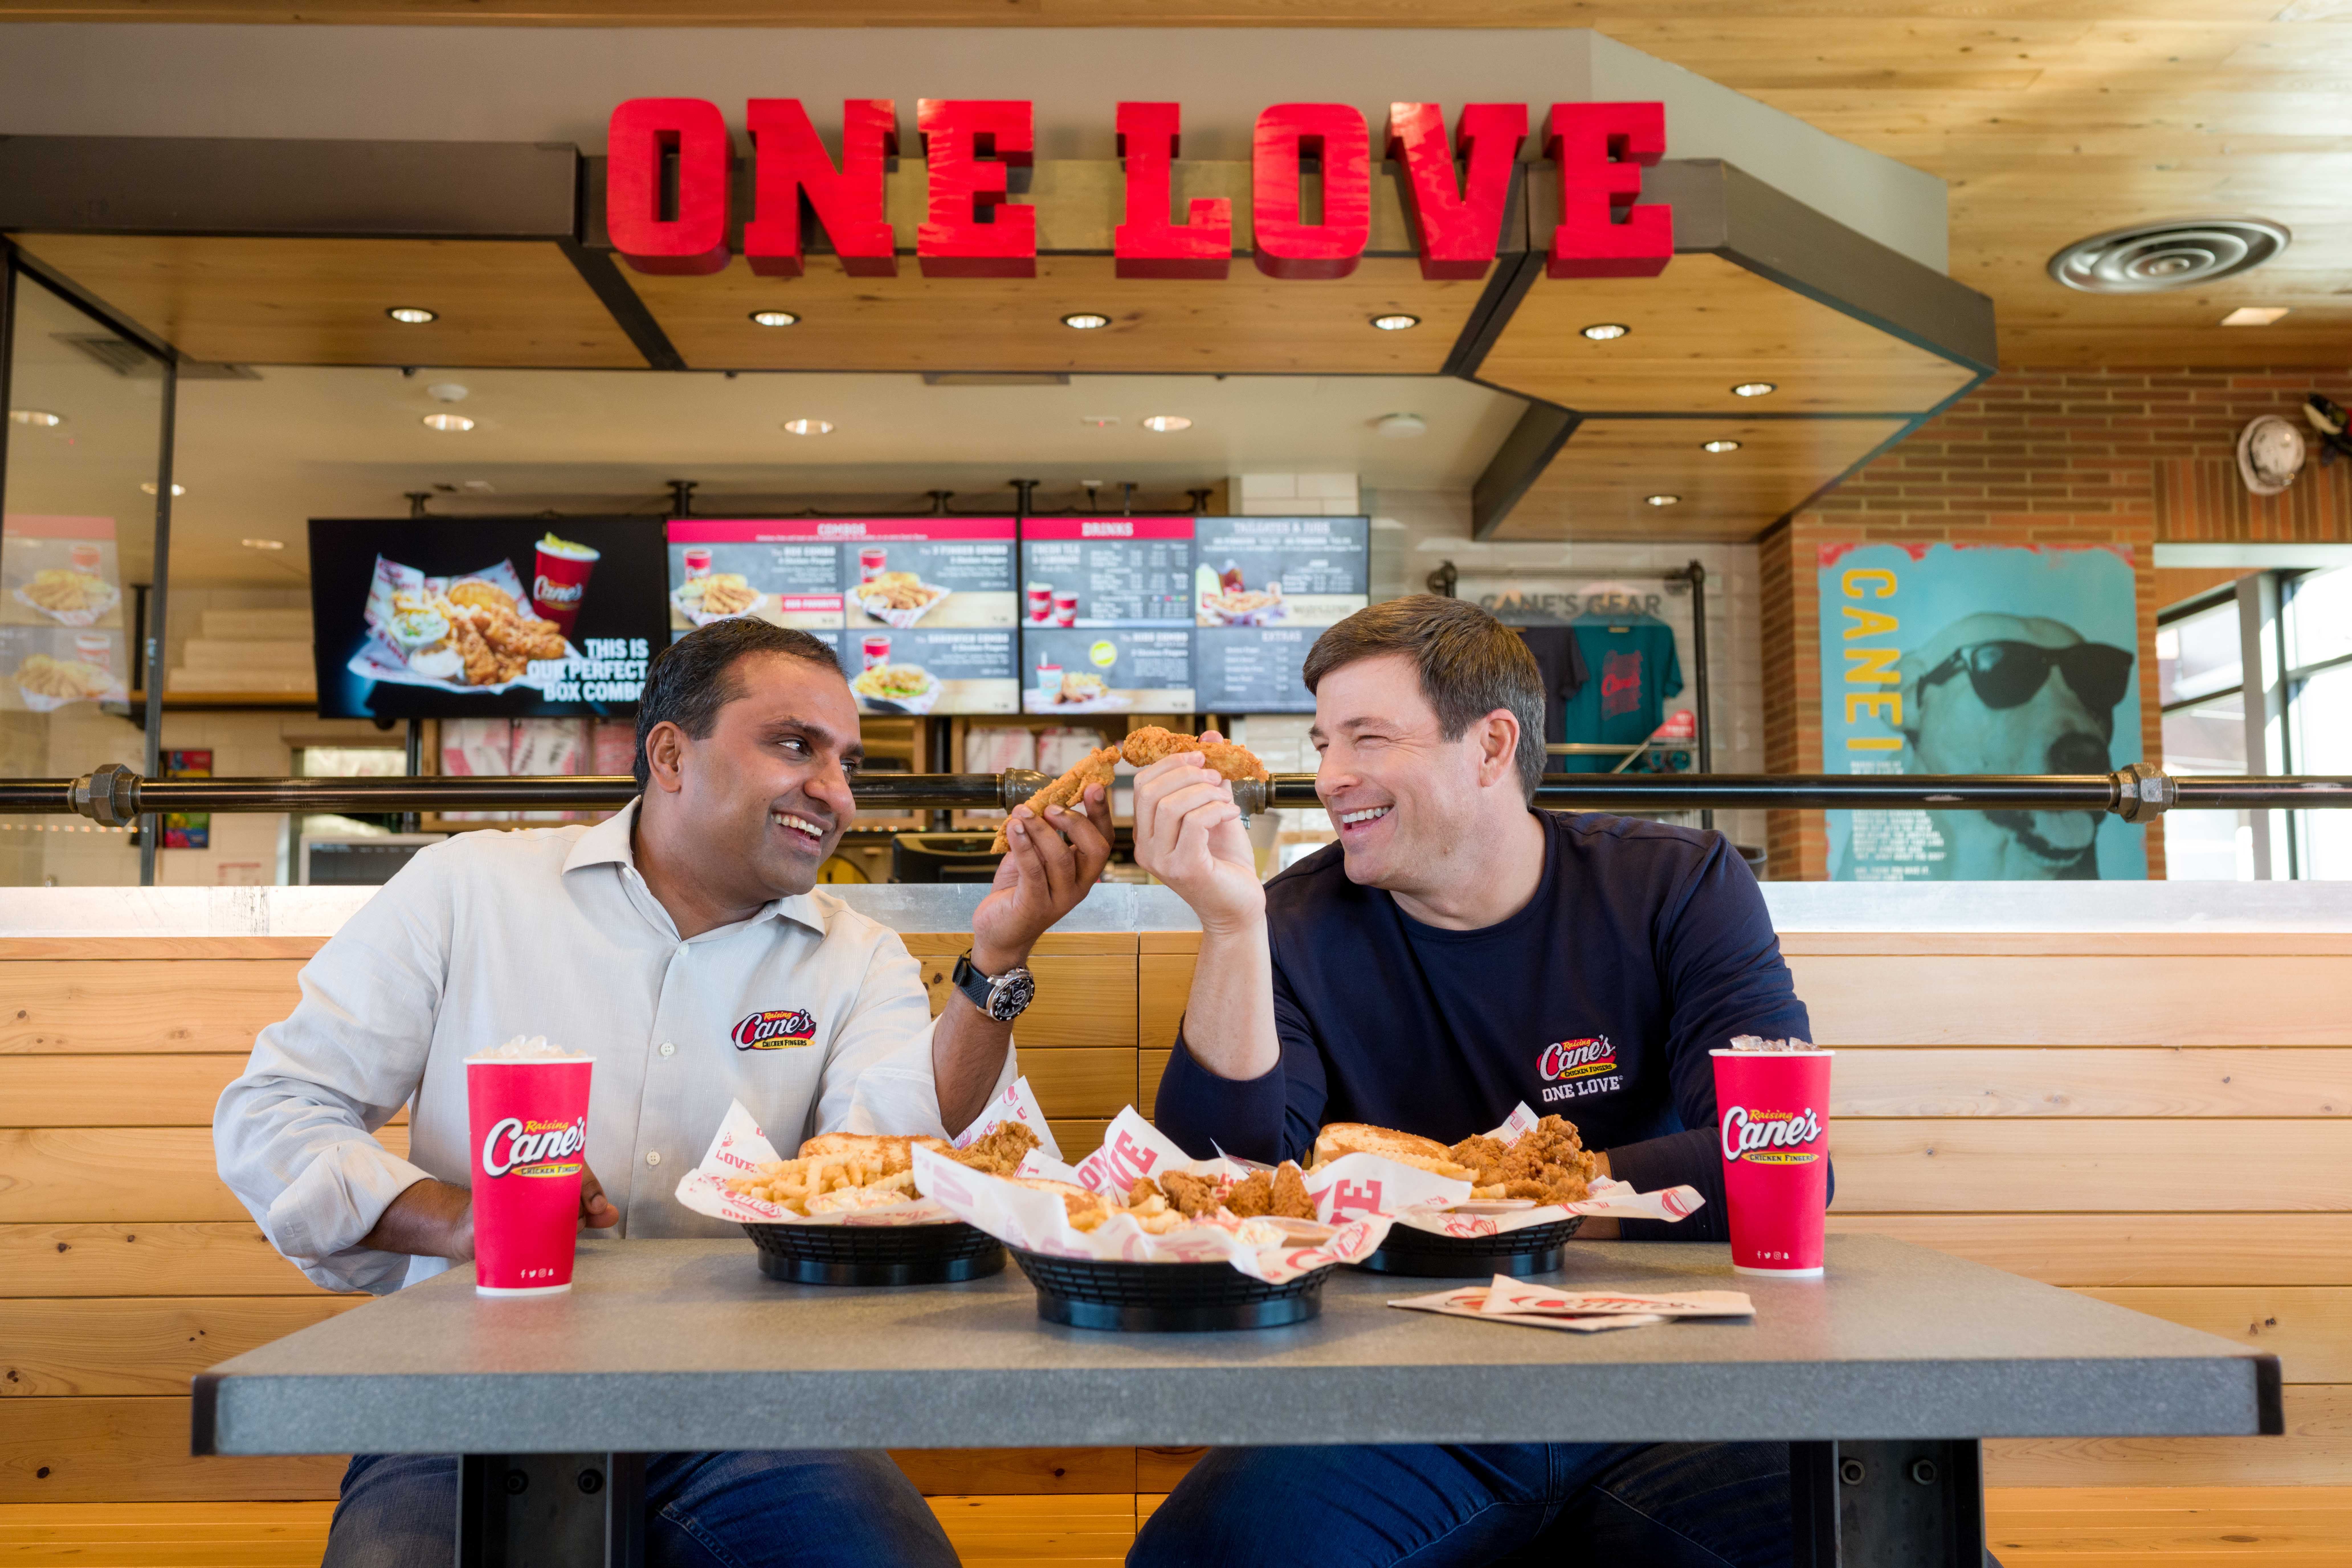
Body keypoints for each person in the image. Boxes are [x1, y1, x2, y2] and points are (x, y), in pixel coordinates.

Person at [216, 617, 1113, 1568]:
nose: (835, 792)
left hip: (754, 1413)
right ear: (671, 755)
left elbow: (903, 1164)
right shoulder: (469, 889)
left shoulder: (857, 960)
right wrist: (458, 1219)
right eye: (794, 746)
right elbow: (274, 1114)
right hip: (465, 1406)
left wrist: (999, 958)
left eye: (847, 762)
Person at [1127, 596, 1812, 1568]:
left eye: (1367, 738)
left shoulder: (1675, 885)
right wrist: (1232, 928)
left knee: (1888, 1544)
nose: (1329, 779)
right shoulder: (1293, 924)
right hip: (1397, 1393)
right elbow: (1229, 1179)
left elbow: (1777, 1163)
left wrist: (1469, 1205)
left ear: (1491, 747)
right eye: (1322, 743)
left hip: (1663, 1382)